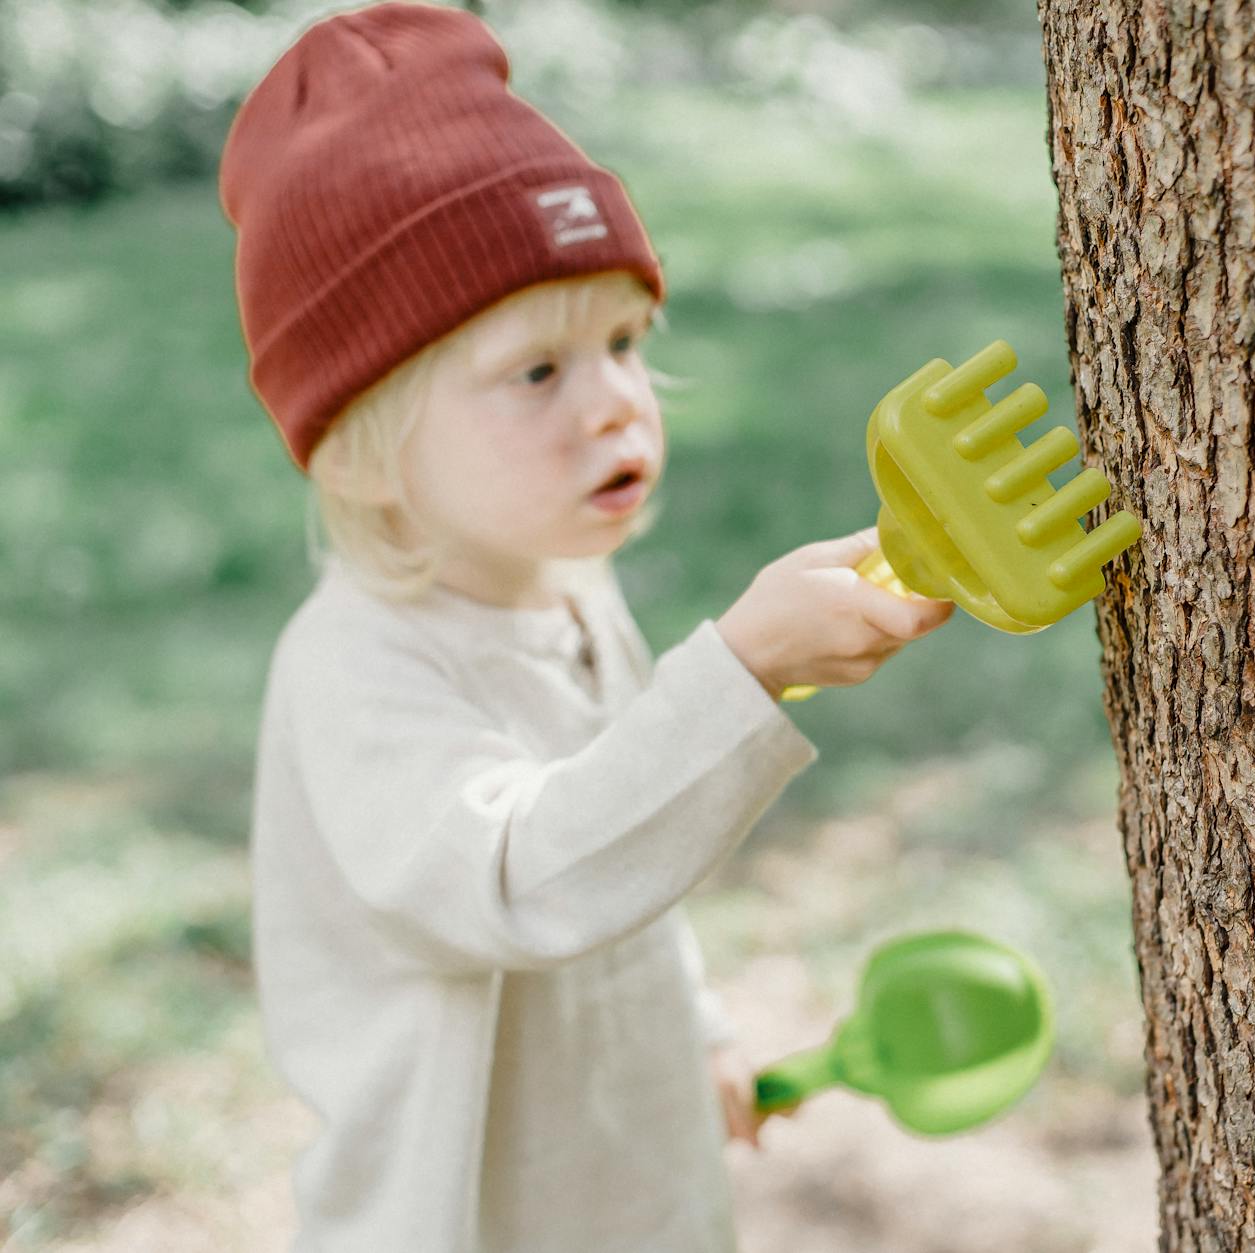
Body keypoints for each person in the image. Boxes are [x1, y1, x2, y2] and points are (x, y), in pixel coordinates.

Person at [216, 3, 953, 1249]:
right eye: (537, 370)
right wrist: (743, 671)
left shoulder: (563, 583)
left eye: (623, 340)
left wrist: (699, 1028)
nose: (617, 401)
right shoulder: (356, 667)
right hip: (464, 1215)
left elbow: (626, 863)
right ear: (363, 455)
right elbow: (514, 875)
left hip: (628, 1178)